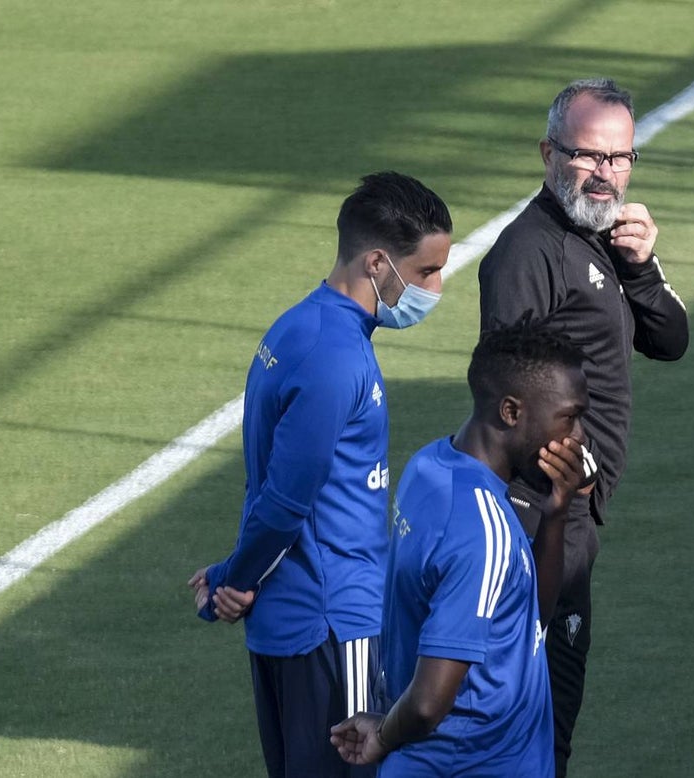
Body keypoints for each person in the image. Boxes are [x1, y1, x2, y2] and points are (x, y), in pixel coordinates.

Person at [188, 171, 453, 778]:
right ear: (378, 263)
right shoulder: (337, 356)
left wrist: (238, 574)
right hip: (334, 624)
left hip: (291, 621)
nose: (436, 289)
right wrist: (232, 580)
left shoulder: (297, 326)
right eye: (426, 273)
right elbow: (285, 501)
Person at [476, 77, 690, 775]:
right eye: (587, 156)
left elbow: (670, 339)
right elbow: (505, 391)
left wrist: (643, 267)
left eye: (620, 158)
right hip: (539, 519)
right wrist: (578, 470)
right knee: (538, 725)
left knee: (552, 723)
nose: (605, 174)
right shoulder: (526, 252)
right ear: (547, 152)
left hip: (571, 519)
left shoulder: (604, 239)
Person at [329, 322, 590, 776]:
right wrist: (384, 735)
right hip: (472, 764)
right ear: (511, 411)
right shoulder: (480, 528)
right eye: (569, 417)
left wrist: (555, 514)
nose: (579, 436)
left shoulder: (429, 466)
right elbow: (430, 703)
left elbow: (528, 621)